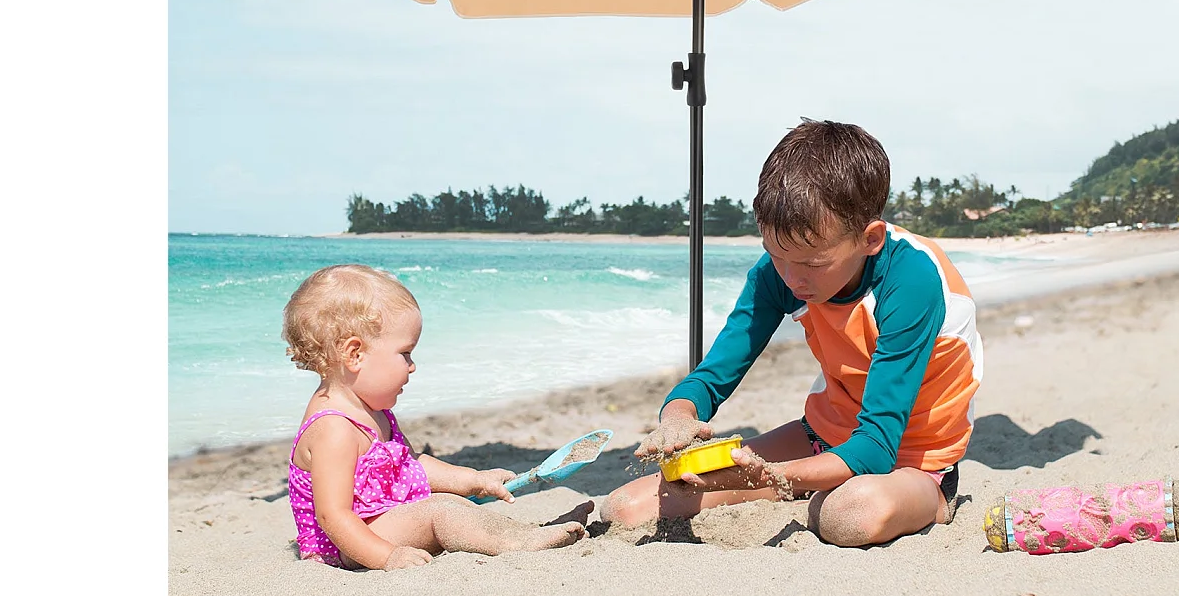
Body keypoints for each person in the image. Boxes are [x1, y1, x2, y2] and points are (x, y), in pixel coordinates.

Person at [601, 120, 983, 547]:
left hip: (912, 458)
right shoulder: (781, 271)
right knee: (626, 508)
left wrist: (770, 476)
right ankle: (810, 481)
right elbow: (712, 377)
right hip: (823, 437)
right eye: (775, 254)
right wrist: (678, 419)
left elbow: (877, 446)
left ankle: (934, 500)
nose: (791, 278)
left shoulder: (911, 282)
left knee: (848, 516)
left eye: (813, 264)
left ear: (870, 238)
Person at [282, 264, 589, 569]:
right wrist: (387, 556)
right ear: (355, 354)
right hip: (348, 544)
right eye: (405, 354)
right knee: (441, 510)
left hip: (380, 522)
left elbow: (411, 465)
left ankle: (526, 532)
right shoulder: (333, 429)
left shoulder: (374, 412)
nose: (412, 366)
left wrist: (474, 480)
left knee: (453, 503)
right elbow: (333, 516)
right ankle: (518, 542)